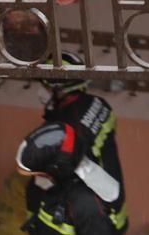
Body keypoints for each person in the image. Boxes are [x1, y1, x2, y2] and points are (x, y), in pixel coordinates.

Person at [26, 52, 126, 232]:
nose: (41, 91)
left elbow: (61, 164)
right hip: (110, 202)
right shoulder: (98, 104)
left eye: (45, 86)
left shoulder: (65, 123)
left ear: (59, 89)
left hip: (90, 209)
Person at [16, 122, 126, 234]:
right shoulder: (52, 187)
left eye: (40, 174)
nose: (37, 178)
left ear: (57, 169)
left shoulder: (85, 205)